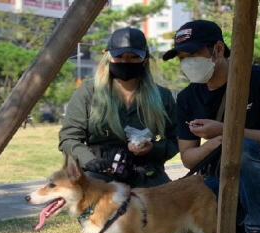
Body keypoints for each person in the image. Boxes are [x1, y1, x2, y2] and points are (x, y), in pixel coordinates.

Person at [162, 20, 260, 233]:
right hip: (223, 178)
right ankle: (234, 224)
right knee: (166, 228)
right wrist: (215, 142)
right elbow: (188, 159)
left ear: (217, 49)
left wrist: (225, 131)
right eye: (182, 57)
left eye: (194, 53)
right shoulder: (187, 98)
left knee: (241, 145)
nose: (187, 62)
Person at [59, 27, 178, 190]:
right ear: (108, 57)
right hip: (100, 173)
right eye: (119, 56)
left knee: (168, 207)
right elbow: (69, 137)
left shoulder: (162, 96)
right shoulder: (88, 92)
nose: (126, 62)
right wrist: (90, 161)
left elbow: (175, 140)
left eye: (133, 57)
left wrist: (153, 149)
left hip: (147, 174)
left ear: (145, 59)